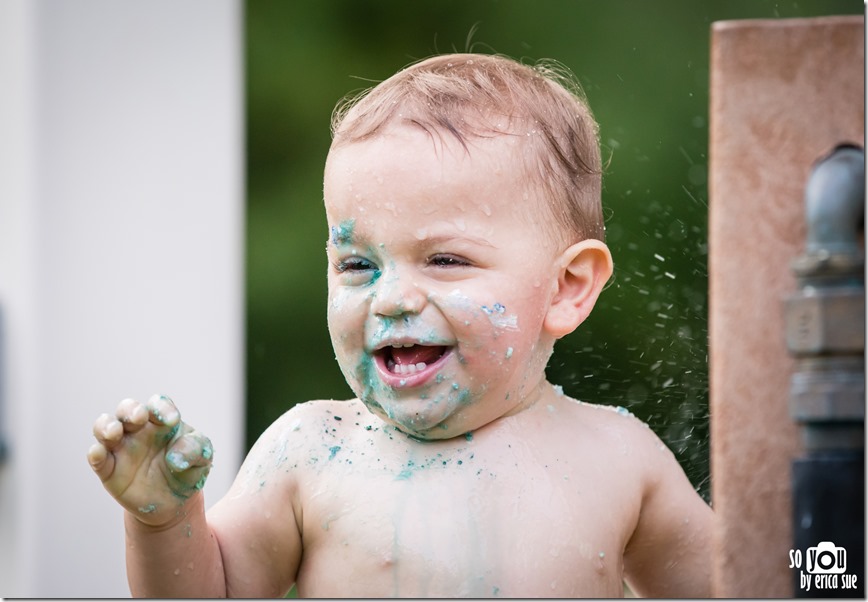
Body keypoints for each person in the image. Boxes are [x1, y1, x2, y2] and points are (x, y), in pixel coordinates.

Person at [88, 52, 712, 598]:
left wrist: (812, 547)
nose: (390, 299)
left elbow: (763, 587)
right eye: (357, 265)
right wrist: (164, 523)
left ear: (566, 289)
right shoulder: (309, 453)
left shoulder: (616, 460)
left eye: (445, 260)